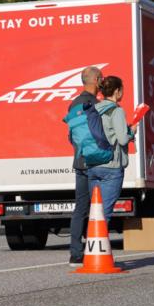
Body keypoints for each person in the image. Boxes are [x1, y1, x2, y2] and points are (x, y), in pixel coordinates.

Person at [85, 75, 134, 221]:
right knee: (104, 213)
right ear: (117, 91)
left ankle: (92, 241)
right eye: (122, 90)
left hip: (93, 165)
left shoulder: (94, 109)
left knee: (95, 210)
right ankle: (97, 242)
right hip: (111, 167)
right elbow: (123, 139)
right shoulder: (116, 111)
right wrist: (132, 132)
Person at [67, 66, 102, 267]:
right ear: (96, 79)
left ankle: (75, 253)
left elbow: (71, 136)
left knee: (80, 207)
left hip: (80, 160)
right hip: (95, 161)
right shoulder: (95, 105)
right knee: (98, 206)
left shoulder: (74, 104)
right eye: (101, 79)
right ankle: (96, 248)